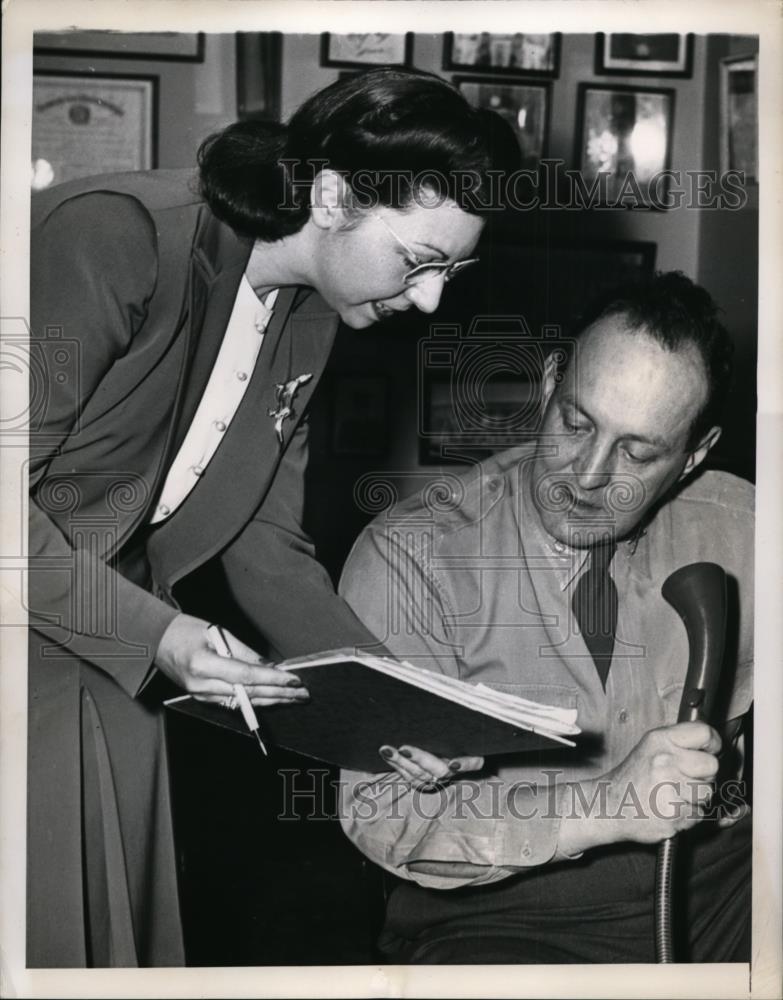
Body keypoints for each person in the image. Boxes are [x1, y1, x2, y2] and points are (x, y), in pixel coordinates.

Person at [27, 67, 520, 967]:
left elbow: (263, 539)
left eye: (452, 270)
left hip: (103, 651)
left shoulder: (310, 312)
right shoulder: (113, 236)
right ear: (331, 197)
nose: (430, 301)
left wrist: (394, 702)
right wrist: (160, 634)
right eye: (418, 261)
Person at [337, 272, 754, 963]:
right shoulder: (411, 556)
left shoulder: (744, 527)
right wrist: (606, 804)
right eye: (575, 422)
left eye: (637, 451)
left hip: (718, 893)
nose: (587, 476)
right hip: (501, 917)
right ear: (549, 381)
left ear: (694, 456)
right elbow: (383, 814)